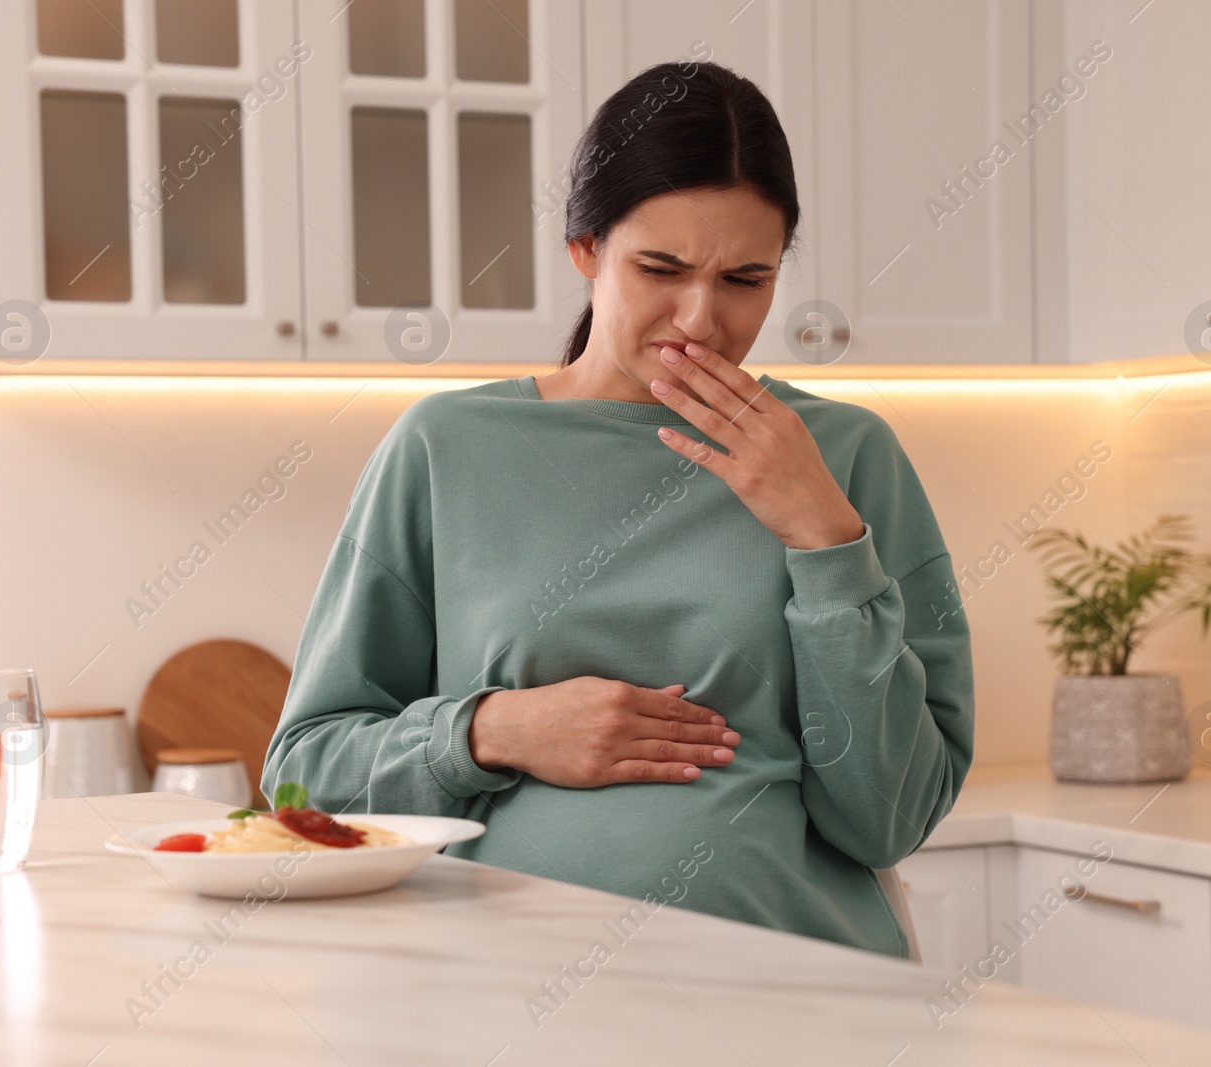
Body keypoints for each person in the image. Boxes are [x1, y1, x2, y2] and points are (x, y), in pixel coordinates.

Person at [261, 59, 975, 959]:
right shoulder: (446, 446)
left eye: (745, 279)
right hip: (498, 994)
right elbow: (303, 781)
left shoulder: (846, 457)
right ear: (586, 248)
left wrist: (825, 539)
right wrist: (494, 730)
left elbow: (893, 818)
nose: (701, 320)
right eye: (661, 268)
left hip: (798, 992)